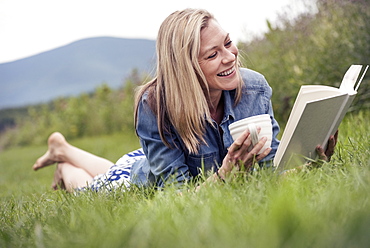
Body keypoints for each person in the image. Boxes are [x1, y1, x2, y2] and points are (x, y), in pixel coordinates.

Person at [32, 8, 337, 192]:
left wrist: (312, 162)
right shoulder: (155, 106)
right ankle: (64, 164)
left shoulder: (253, 87)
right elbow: (176, 194)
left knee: (120, 166)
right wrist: (225, 175)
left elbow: (270, 167)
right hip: (148, 176)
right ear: (186, 66)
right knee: (95, 186)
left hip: (149, 160)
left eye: (228, 43)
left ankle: (63, 148)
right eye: (213, 54)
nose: (231, 57)